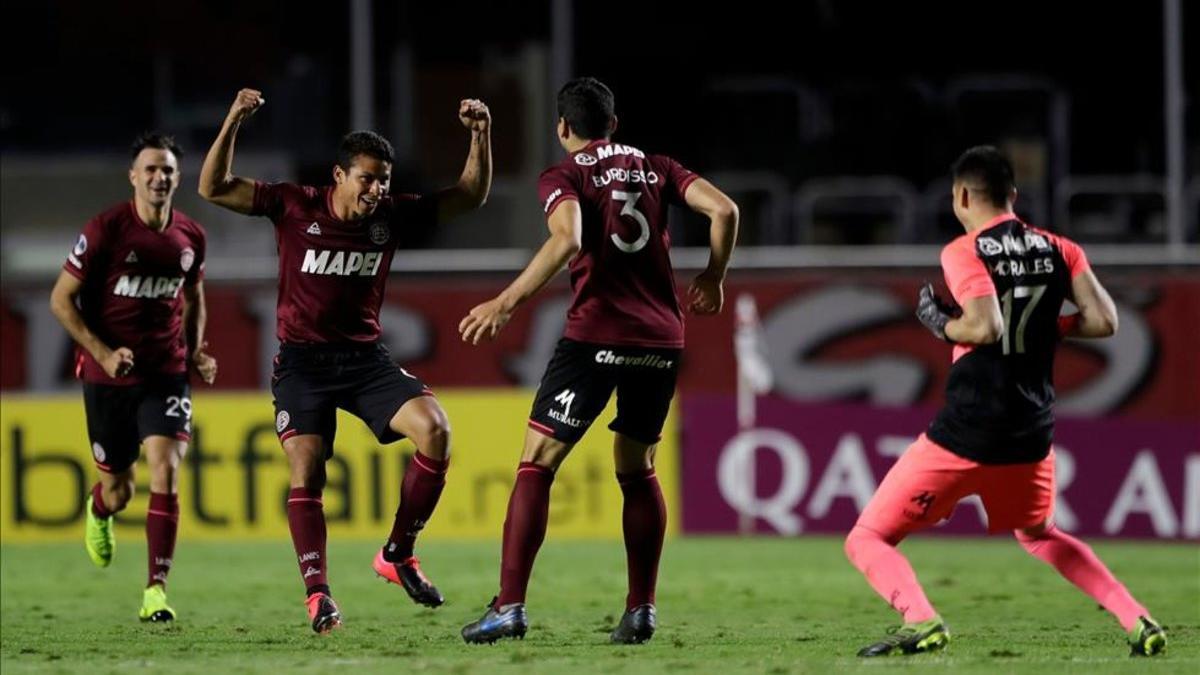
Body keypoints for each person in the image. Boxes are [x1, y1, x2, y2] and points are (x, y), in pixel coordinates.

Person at [844, 145, 1167, 657]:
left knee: (867, 539)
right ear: (1013, 196)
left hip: (966, 432)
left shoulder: (963, 249)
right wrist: (1047, 326)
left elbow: (986, 325)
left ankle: (924, 620)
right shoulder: (1061, 248)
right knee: (1040, 534)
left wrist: (940, 324)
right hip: (1030, 434)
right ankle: (1139, 619)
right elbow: (1105, 321)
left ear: (962, 196)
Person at [198, 88, 491, 634]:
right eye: (368, 178)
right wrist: (235, 119)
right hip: (302, 365)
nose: (377, 189)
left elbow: (469, 196)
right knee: (307, 469)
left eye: (383, 179)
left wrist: (480, 133)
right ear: (339, 176)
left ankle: (398, 554)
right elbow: (212, 187)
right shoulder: (292, 203)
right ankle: (319, 596)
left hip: (364, 360)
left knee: (436, 431)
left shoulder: (392, 216)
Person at [458, 76, 738, 644]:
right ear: (613, 122)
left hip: (596, 335)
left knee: (537, 460)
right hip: (662, 341)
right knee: (637, 467)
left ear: (562, 128)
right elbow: (725, 211)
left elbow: (566, 240)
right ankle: (641, 610)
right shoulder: (658, 166)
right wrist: (712, 275)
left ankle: (509, 606)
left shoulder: (565, 174)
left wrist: (506, 302)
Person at [49, 132, 217, 623]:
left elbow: (194, 297)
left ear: (177, 178)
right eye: (150, 169)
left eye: (167, 170)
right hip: (108, 379)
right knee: (120, 490)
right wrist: (101, 352)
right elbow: (61, 299)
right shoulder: (106, 230)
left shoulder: (191, 236)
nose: (159, 177)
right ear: (133, 177)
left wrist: (197, 351)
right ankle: (100, 509)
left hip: (165, 373)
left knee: (166, 466)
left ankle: (155, 591)